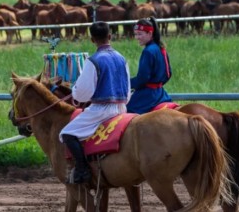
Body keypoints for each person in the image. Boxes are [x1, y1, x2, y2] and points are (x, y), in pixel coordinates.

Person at [59, 21, 131, 184]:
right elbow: (127, 90)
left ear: (92, 40)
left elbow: (83, 94)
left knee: (66, 133)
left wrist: (75, 90)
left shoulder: (93, 61)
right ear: (110, 36)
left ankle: (82, 169)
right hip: (122, 108)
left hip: (101, 110)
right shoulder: (122, 58)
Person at [126, 16, 172, 114]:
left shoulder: (148, 51)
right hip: (161, 94)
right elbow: (168, 74)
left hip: (147, 96)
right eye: (135, 34)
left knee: (126, 112)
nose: (136, 37)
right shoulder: (161, 48)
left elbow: (142, 79)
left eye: (140, 34)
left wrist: (125, 83)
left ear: (150, 33)